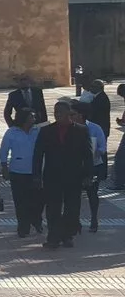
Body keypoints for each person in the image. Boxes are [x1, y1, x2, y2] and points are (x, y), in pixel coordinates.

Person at [34, 101, 93, 250]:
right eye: (55, 112)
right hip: (52, 176)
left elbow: (88, 155)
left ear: (69, 113)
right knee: (53, 208)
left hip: (73, 177)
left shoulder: (81, 130)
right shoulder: (46, 131)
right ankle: (53, 237)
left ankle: (67, 235)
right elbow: (38, 155)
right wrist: (36, 175)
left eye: (60, 112)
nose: (57, 114)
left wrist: (88, 175)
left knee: (72, 209)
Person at [0, 109, 43, 237]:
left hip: (35, 171)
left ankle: (36, 220)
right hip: (17, 172)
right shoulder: (12, 132)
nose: (34, 119)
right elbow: (3, 152)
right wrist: (4, 168)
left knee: (37, 200)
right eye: (31, 117)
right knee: (20, 201)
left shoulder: (38, 131)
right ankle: (23, 226)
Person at [71, 102, 106, 233]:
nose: (71, 116)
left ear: (81, 115)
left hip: (93, 166)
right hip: (75, 167)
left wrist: (97, 151)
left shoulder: (95, 128)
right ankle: (75, 221)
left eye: (73, 114)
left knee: (92, 194)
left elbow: (103, 147)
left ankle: (94, 219)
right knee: (74, 196)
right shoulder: (70, 128)